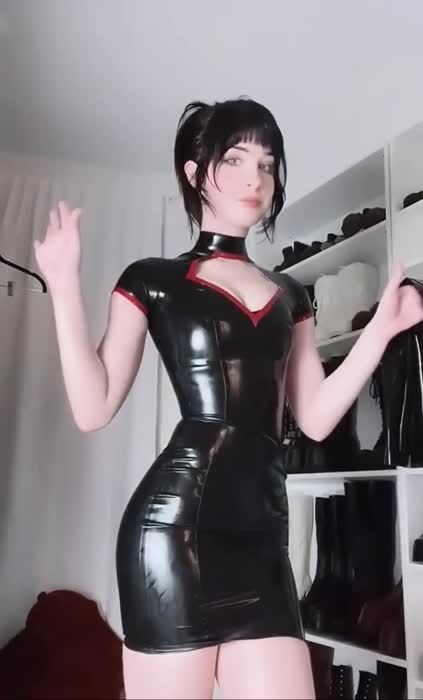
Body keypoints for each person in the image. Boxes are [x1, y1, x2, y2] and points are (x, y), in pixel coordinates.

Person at [34, 98, 423, 700]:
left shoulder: (291, 295)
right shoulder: (153, 279)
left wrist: (380, 330)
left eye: (266, 164)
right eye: (236, 159)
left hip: (262, 544)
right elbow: (94, 407)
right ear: (195, 174)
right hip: (172, 535)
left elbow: (316, 419)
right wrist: (63, 286)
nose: (255, 178)